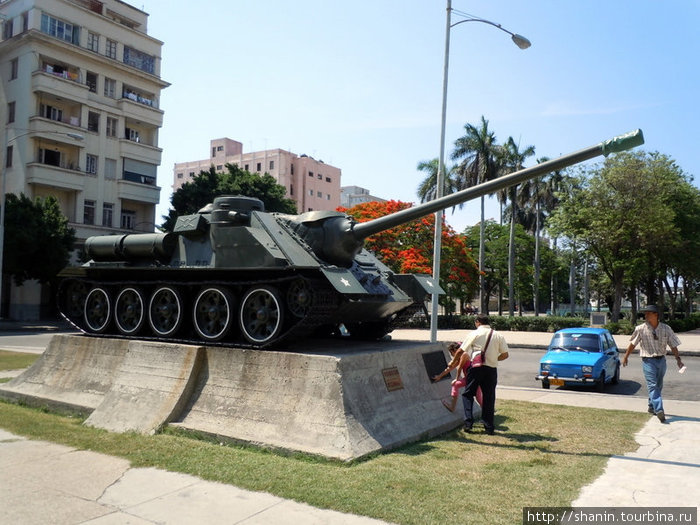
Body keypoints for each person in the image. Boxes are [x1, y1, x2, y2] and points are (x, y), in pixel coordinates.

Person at [622, 304, 684, 422]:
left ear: (656, 315)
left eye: (648, 313)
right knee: (652, 385)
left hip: (661, 360)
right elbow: (633, 344)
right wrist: (626, 357)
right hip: (648, 360)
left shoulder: (666, 329)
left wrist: (678, 360)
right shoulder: (640, 329)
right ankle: (659, 409)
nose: (646, 315)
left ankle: (652, 406)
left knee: (658, 385)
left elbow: (673, 345)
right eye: (645, 313)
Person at [459, 314, 509, 434]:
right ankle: (489, 426)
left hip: (476, 368)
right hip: (491, 369)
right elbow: (505, 354)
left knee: (468, 394)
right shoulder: (498, 335)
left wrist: (452, 363)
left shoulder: (474, 334)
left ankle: (468, 423)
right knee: (489, 397)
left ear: (477, 322)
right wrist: (494, 359)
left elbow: (462, 350)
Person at [432, 342, 482, 412]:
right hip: (469, 378)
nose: (452, 355)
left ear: (454, 351)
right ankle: (488, 411)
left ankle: (452, 407)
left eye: (451, 353)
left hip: (473, 379)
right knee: (478, 397)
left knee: (478, 397)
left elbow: (459, 368)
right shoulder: (459, 357)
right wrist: (439, 376)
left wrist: (456, 379)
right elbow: (449, 368)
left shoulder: (464, 355)